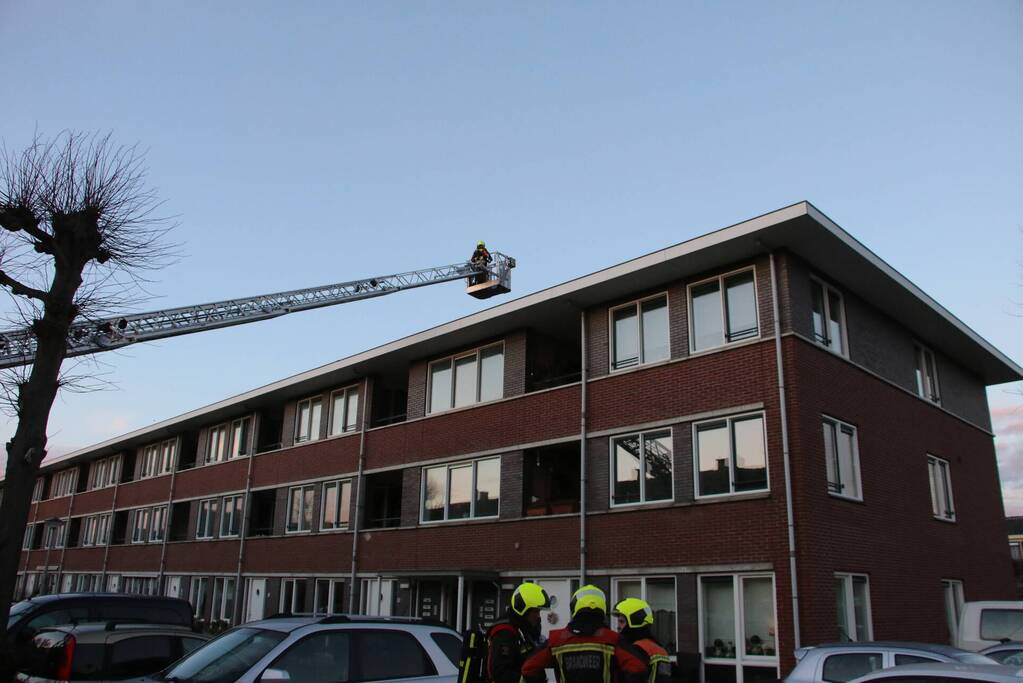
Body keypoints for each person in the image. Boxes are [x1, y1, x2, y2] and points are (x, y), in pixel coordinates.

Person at [522, 584, 648, 683]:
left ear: (575, 607)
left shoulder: (557, 640)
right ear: (602, 608)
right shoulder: (612, 639)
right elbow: (639, 667)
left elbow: (528, 668)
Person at [487, 582, 551, 683]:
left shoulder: (523, 630)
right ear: (522, 609)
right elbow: (501, 674)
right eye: (535, 611)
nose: (538, 616)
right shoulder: (505, 633)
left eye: (539, 612)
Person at [613, 598, 674, 683]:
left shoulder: (634, 649)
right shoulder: (660, 649)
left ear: (634, 622)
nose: (618, 626)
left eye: (622, 622)